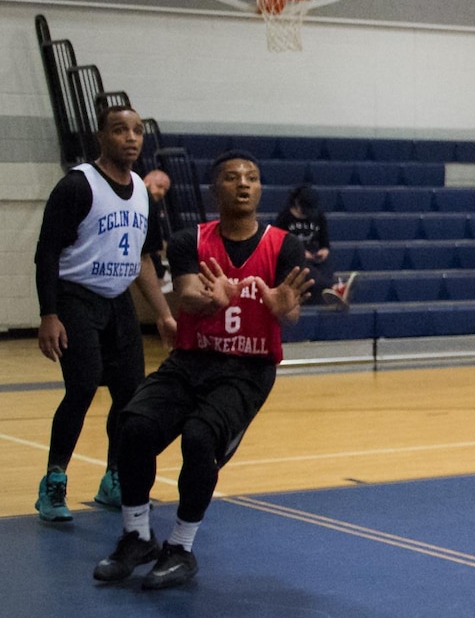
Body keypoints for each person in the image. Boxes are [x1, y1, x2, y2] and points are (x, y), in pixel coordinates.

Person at [92, 151, 312, 591]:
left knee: (198, 438)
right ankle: (137, 536)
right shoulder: (187, 240)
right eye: (232, 178)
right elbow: (188, 296)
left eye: (252, 177)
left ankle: (181, 547)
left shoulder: (283, 244)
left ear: (260, 188)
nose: (244, 184)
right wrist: (210, 300)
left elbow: (289, 311)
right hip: (192, 359)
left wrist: (285, 310)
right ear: (216, 190)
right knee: (131, 425)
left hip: (247, 369)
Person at [32, 105, 176, 523]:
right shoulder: (78, 186)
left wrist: (164, 315)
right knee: (80, 388)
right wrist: (49, 313)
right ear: (101, 137)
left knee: (131, 396)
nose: (130, 138)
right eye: (119, 130)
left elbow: (145, 260)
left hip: (118, 303)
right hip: (76, 298)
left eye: (136, 131)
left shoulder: (143, 192)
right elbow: (46, 253)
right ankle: (54, 481)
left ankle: (114, 478)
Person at [272, 183, 346, 305]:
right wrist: (300, 253)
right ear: (297, 203)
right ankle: (335, 288)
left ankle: (333, 289)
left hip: (313, 255)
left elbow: (324, 241)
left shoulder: (319, 216)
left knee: (325, 266)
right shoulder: (284, 218)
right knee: (305, 269)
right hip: (293, 258)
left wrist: (324, 251)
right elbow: (279, 244)